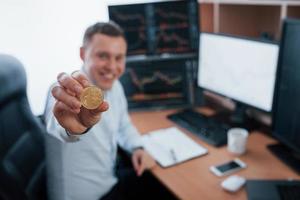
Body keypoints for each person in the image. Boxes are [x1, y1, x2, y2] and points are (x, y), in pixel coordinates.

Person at [44, 21, 172, 200]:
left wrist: (137, 147)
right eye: (103, 56)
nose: (112, 67)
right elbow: (59, 128)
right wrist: (76, 127)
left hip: (109, 179)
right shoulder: (63, 92)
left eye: (119, 58)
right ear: (83, 54)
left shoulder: (114, 86)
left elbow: (123, 125)